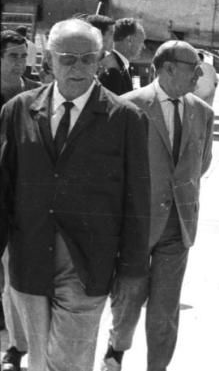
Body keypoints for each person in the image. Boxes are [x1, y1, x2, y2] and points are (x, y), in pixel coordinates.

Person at [0, 18, 150, 371]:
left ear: (100, 61)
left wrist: (131, 272)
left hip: (87, 264)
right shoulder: (18, 109)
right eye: (68, 58)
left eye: (87, 59)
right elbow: (3, 190)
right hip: (29, 259)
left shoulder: (126, 119)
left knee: (68, 363)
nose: (78, 67)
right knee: (39, 362)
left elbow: (137, 200)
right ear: (49, 61)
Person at [101, 40, 214, 371]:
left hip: (178, 225)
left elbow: (201, 164)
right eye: (193, 69)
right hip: (135, 225)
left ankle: (157, 367)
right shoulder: (127, 106)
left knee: (166, 309)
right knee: (128, 298)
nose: (199, 75)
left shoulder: (202, 111)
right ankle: (116, 352)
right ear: (167, 68)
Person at [0, 30, 40, 369]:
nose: (20, 63)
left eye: (23, 56)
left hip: (23, 198)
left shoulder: (34, 96)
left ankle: (16, 346)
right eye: (13, 56)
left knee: (15, 276)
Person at [86, 13, 133, 95]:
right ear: (99, 35)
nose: (113, 39)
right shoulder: (81, 64)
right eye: (111, 33)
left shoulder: (114, 68)